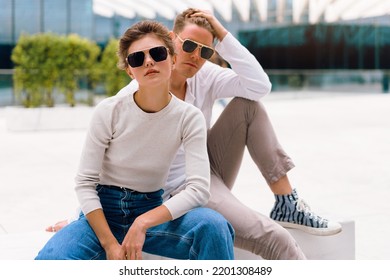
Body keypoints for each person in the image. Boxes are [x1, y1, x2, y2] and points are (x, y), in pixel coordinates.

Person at [48, 8, 342, 259]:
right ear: (172, 42)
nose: (195, 57)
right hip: (179, 189)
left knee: (249, 106)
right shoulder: (131, 99)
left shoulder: (205, 76)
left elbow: (260, 86)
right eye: (188, 46)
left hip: (205, 171)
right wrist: (82, 217)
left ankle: (287, 202)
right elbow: (113, 169)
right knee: (272, 236)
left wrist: (222, 35)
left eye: (205, 51)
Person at [36, 20, 235, 260]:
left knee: (214, 226)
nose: (149, 61)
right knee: (50, 261)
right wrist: (110, 244)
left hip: (151, 210)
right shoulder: (109, 110)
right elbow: (85, 183)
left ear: (172, 59)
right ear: (130, 70)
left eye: (158, 53)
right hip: (102, 214)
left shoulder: (188, 117)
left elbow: (198, 189)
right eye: (137, 59)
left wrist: (142, 222)